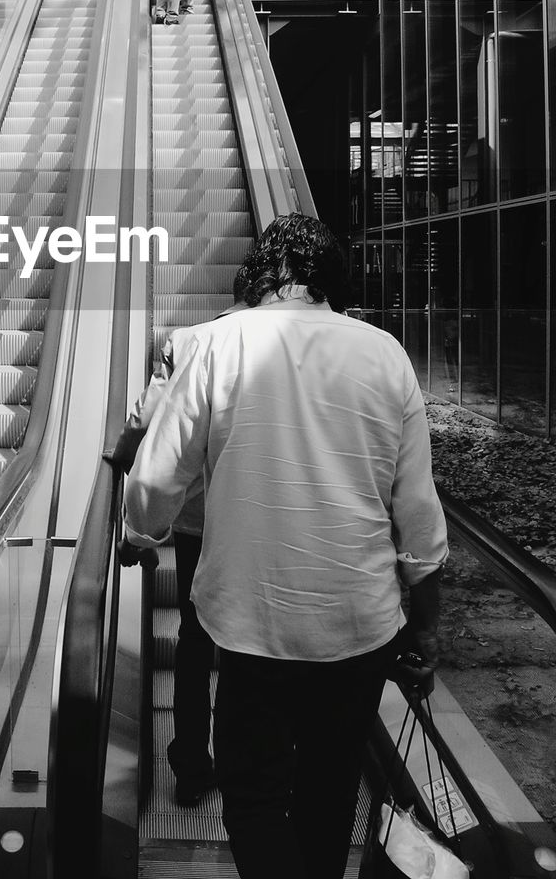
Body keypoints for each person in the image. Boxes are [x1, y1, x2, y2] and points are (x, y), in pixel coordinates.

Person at [122, 214, 447, 879]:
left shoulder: (218, 344)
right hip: (360, 624)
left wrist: (137, 534)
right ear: (332, 280)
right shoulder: (386, 353)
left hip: (251, 625)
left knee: (254, 796)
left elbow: (156, 477)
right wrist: (427, 627)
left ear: (260, 276)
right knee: (329, 794)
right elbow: (417, 513)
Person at [111, 301, 244, 806]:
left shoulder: (189, 341)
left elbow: (149, 415)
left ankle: (191, 765)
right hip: (248, 521)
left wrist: (124, 457)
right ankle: (239, 763)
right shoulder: (274, 350)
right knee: (237, 641)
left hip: (194, 521)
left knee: (193, 640)